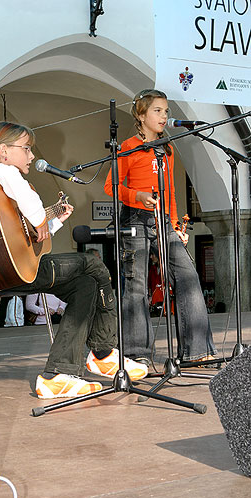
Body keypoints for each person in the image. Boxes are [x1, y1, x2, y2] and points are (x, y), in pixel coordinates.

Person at [0, 121, 148, 399]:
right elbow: (35, 217)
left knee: (85, 285)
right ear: (3, 151)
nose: (32, 156)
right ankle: (104, 352)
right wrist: (38, 207)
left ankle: (57, 374)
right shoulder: (5, 173)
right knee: (95, 265)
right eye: (26, 149)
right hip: (4, 269)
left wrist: (55, 221)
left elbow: (27, 239)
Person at [104, 89, 217, 363]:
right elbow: (111, 186)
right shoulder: (128, 146)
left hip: (164, 221)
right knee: (136, 286)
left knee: (188, 277)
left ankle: (196, 350)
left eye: (166, 111)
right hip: (135, 218)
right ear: (141, 115)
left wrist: (177, 223)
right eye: (157, 110)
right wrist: (138, 196)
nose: (164, 116)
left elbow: (171, 192)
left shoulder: (167, 147)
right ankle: (137, 356)